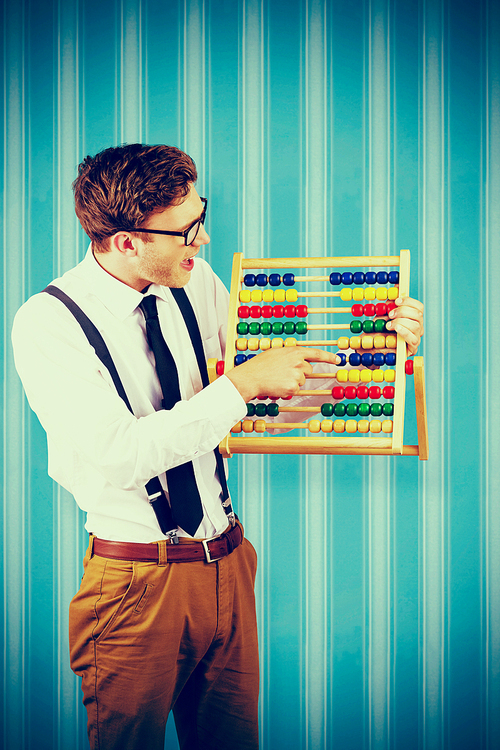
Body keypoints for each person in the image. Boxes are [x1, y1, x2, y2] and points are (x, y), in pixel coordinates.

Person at [11, 143, 424, 750]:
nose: (202, 241)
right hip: (135, 582)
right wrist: (239, 386)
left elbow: (265, 409)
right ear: (127, 241)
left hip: (229, 563)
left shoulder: (193, 281)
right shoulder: (48, 323)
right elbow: (122, 454)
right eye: (186, 230)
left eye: (200, 216)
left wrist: (377, 353)